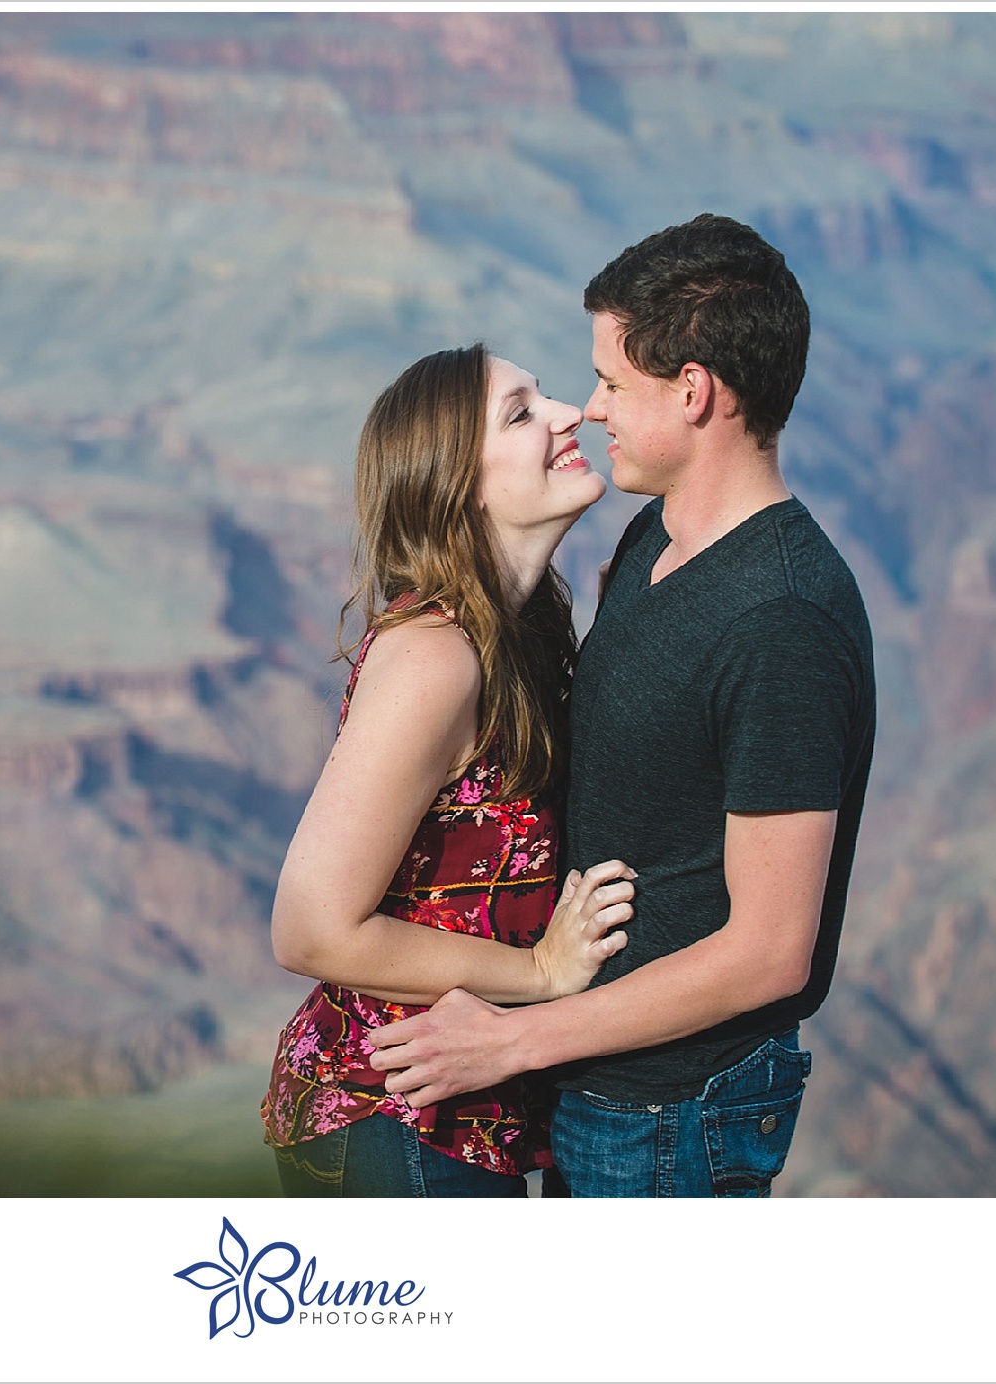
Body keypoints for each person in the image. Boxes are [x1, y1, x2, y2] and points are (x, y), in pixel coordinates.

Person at [369, 214, 877, 1198]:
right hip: (599, 1094)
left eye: (612, 380)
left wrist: (514, 1040)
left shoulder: (783, 622)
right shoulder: (651, 540)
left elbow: (770, 955)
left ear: (695, 392)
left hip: (676, 1116)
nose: (591, 407)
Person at [260, 343, 637, 1197]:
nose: (569, 414)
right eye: (521, 413)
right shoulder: (437, 658)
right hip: (394, 1122)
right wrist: (544, 972)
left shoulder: (523, 628)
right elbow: (311, 930)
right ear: (456, 487)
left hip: (462, 1123)